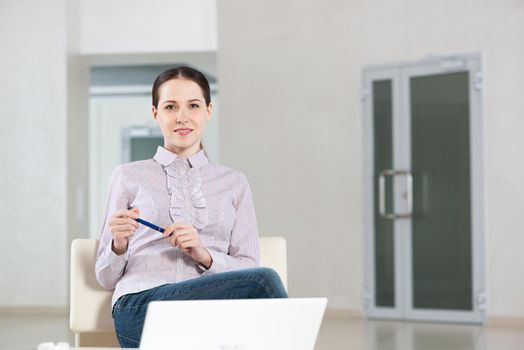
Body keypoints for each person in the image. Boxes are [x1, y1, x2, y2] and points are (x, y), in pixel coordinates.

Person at [95, 66, 288, 348]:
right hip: (143, 307)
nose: (182, 117)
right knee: (265, 282)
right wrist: (119, 244)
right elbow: (105, 277)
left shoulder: (234, 183)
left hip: (213, 309)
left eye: (193, 106)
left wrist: (203, 254)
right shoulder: (127, 176)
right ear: (155, 113)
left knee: (260, 282)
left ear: (208, 111)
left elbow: (248, 265)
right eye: (171, 106)